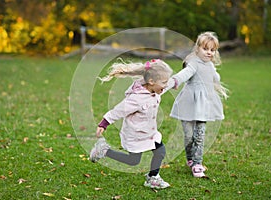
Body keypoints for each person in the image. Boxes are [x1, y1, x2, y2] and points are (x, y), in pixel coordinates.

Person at [89, 58, 173, 189]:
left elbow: (169, 84)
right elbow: (119, 110)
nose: (166, 85)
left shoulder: (155, 90)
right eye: (164, 82)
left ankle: (152, 177)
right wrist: (104, 123)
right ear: (151, 81)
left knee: (160, 151)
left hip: (150, 133)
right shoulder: (137, 98)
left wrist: (177, 80)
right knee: (133, 161)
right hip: (136, 134)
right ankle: (104, 151)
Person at [166, 31, 228, 177]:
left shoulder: (210, 66)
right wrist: (175, 80)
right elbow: (186, 73)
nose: (209, 53)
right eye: (205, 49)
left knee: (199, 135)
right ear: (197, 48)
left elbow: (215, 78)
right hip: (189, 103)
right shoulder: (193, 63)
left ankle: (197, 163)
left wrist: (215, 78)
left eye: (212, 50)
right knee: (189, 136)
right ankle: (190, 158)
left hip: (203, 105)